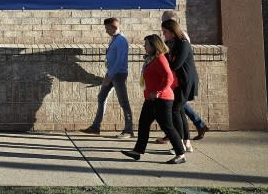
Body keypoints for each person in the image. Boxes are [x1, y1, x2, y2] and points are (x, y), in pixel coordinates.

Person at [120, 34, 187, 164]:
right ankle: (137, 151)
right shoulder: (152, 59)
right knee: (143, 124)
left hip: (162, 99)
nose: (144, 46)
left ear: (154, 45)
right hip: (151, 99)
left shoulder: (161, 59)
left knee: (167, 127)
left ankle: (181, 154)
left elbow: (169, 77)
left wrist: (158, 91)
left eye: (146, 44)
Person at [81, 17, 134, 138]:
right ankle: (95, 127)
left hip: (118, 75)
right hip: (111, 73)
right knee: (101, 97)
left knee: (123, 101)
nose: (106, 31)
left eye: (107, 28)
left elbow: (120, 61)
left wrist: (110, 76)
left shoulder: (121, 40)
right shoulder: (114, 39)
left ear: (114, 27)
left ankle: (128, 130)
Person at [161, 18, 200, 153]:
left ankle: (180, 145)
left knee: (175, 111)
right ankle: (186, 143)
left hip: (185, 82)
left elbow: (176, 65)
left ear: (172, 31)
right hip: (177, 81)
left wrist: (164, 60)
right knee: (180, 111)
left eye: (165, 31)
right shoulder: (172, 43)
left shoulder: (183, 44)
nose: (164, 34)